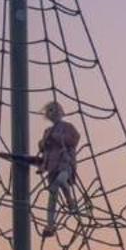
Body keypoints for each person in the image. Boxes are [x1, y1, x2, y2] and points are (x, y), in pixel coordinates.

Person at [35, 101, 81, 237]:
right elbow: (43, 148)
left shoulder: (68, 127)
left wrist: (58, 137)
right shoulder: (47, 131)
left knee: (61, 181)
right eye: (49, 111)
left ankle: (70, 202)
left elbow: (74, 140)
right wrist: (42, 144)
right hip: (51, 165)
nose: (52, 113)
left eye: (54, 110)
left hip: (65, 162)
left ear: (61, 112)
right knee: (53, 193)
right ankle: (50, 224)